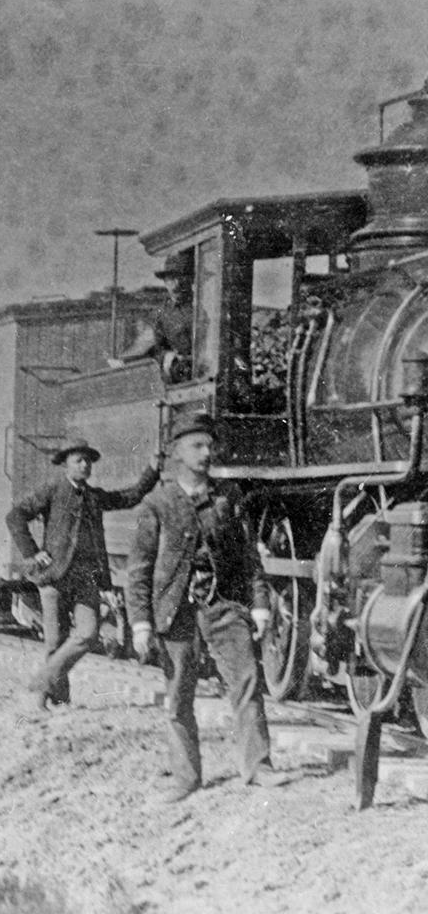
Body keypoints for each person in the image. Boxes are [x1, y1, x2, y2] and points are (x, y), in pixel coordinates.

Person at [125, 412, 288, 802]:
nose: (206, 452)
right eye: (197, 445)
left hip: (223, 606)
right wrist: (141, 624)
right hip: (174, 611)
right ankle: (186, 777)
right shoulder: (157, 503)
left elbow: (249, 558)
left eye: (209, 445)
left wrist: (261, 605)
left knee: (247, 683)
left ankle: (258, 766)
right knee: (179, 696)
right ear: (178, 452)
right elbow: (139, 568)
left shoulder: (227, 500)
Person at [6, 439, 161, 712]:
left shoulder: (93, 497)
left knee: (88, 635)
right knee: (55, 642)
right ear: (66, 464)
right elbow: (15, 516)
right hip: (53, 578)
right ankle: (55, 701)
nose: (85, 465)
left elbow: (130, 496)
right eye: (79, 460)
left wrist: (152, 470)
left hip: (85, 580)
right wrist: (31, 552)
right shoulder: (52, 490)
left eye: (88, 461)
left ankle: (41, 683)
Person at [110, 251, 194, 383]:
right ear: (165, 281)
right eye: (170, 279)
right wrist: (167, 357)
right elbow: (154, 350)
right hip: (180, 377)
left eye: (181, 277)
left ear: (191, 279)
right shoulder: (161, 314)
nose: (176, 284)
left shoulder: (203, 305)